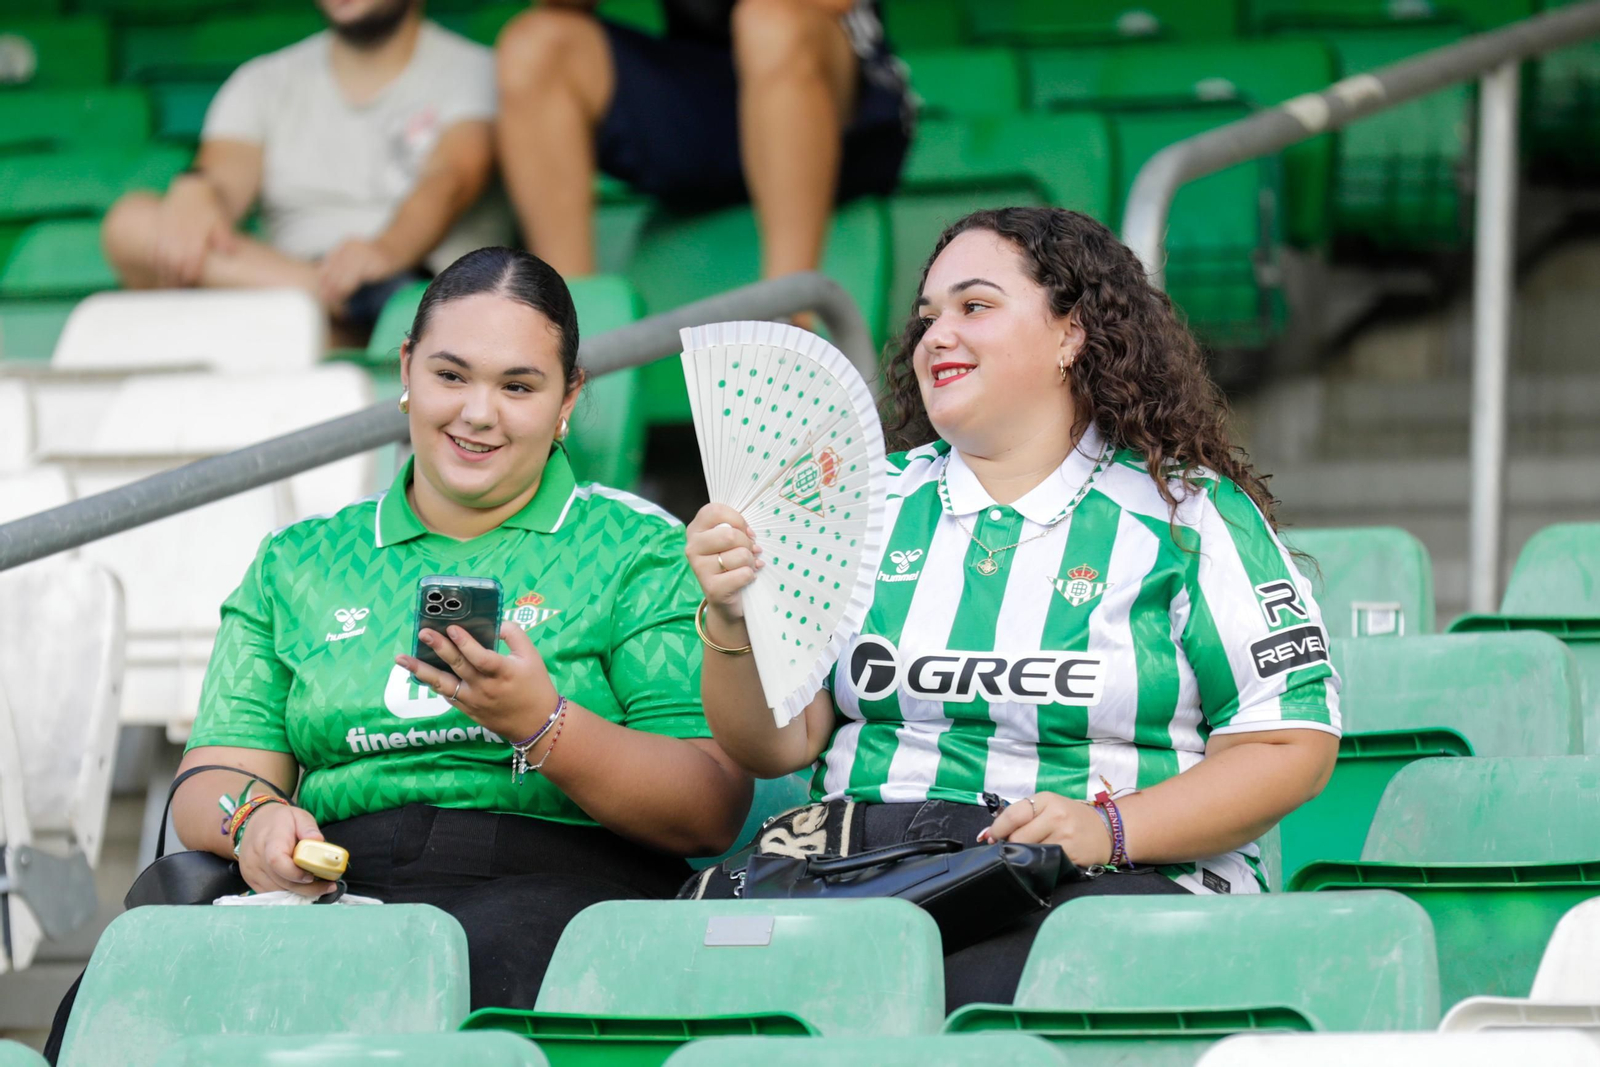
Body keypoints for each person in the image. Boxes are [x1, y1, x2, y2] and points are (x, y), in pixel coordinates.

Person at [684, 206, 1342, 1011]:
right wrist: (729, 621)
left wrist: (1111, 828)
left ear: (1071, 333)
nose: (936, 336)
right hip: (864, 873)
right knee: (693, 968)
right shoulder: (862, 502)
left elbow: (1289, 742)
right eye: (928, 317)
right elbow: (776, 743)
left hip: (1106, 882)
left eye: (975, 306)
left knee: (964, 995)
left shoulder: (1188, 514)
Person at [165, 248, 751, 1009]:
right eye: (450, 375)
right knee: (145, 966)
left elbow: (708, 806)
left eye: (518, 385)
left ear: (569, 396)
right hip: (339, 881)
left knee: (449, 984)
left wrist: (545, 726)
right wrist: (255, 821)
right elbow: (211, 779)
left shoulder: (639, 548)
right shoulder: (299, 559)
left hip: (558, 886)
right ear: (407, 368)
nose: (479, 412)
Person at [99, 0, 507, 343]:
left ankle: (364, 306)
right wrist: (197, 191)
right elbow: (221, 183)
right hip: (288, 307)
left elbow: (449, 180)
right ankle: (346, 304)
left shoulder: (479, 70)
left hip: (433, 305)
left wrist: (385, 251)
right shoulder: (261, 81)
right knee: (130, 222)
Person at [494, 0, 912, 281]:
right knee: (536, 44)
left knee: (767, 18)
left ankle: (788, 311)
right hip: (707, 105)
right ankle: (565, 330)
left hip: (841, 104)